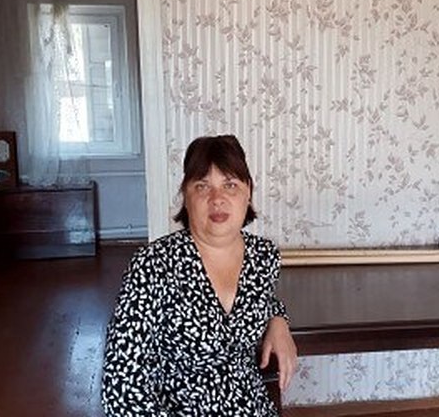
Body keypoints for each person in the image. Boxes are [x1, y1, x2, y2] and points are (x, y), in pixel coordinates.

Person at [101, 134, 298, 416]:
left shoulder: (263, 255)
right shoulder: (152, 265)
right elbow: (120, 388)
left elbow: (264, 300)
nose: (217, 199)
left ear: (248, 192)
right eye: (202, 186)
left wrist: (279, 321)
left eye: (230, 185)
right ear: (186, 196)